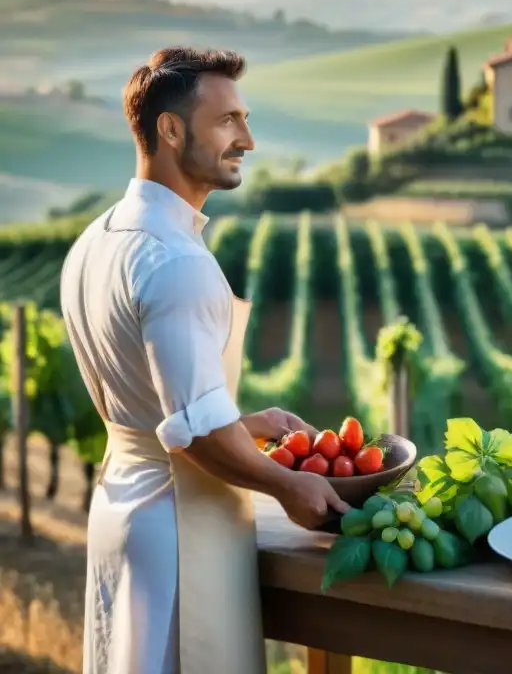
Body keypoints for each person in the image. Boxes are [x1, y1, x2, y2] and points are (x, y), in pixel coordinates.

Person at [59, 46, 349, 674]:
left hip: (120, 515)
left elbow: (149, 412)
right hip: (181, 534)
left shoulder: (96, 240)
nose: (247, 139)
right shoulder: (178, 262)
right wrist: (286, 483)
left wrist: (244, 424)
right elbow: (193, 434)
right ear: (170, 129)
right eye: (227, 121)